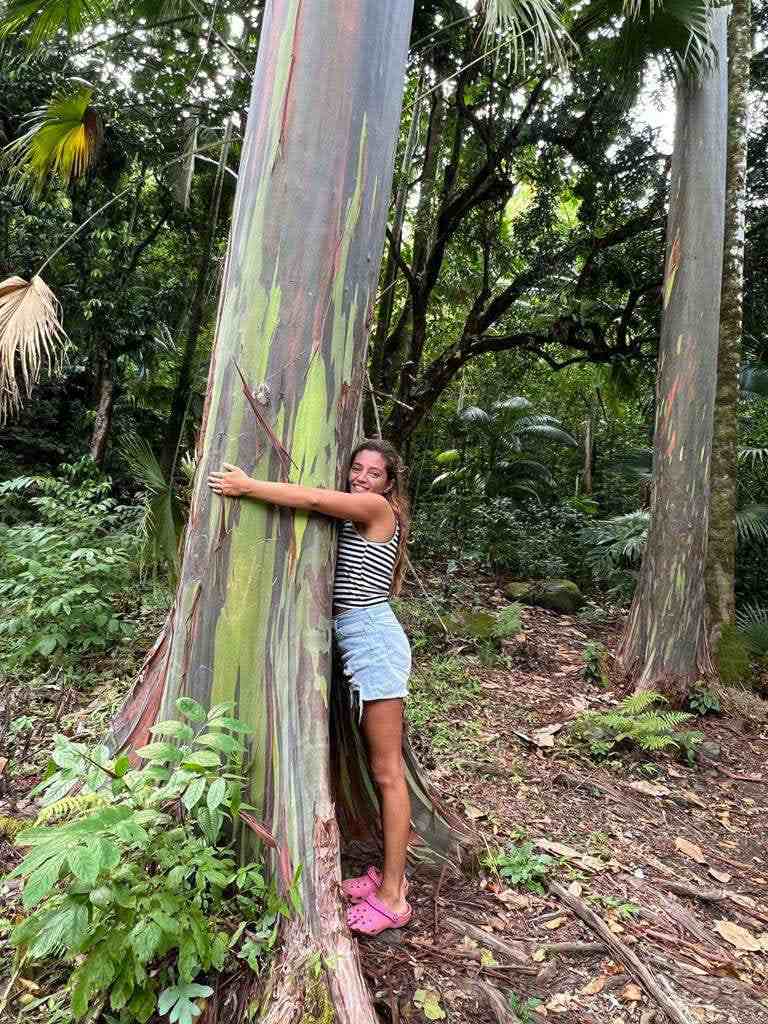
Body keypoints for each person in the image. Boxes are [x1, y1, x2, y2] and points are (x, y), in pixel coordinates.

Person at [207, 438, 412, 935]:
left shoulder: (374, 507)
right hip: (358, 644)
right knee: (379, 766)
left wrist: (247, 486)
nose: (362, 477)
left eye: (374, 472)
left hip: (375, 646)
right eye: (356, 467)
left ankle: (394, 895)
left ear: (389, 483)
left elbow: (317, 500)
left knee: (388, 772)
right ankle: (387, 878)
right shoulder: (360, 512)